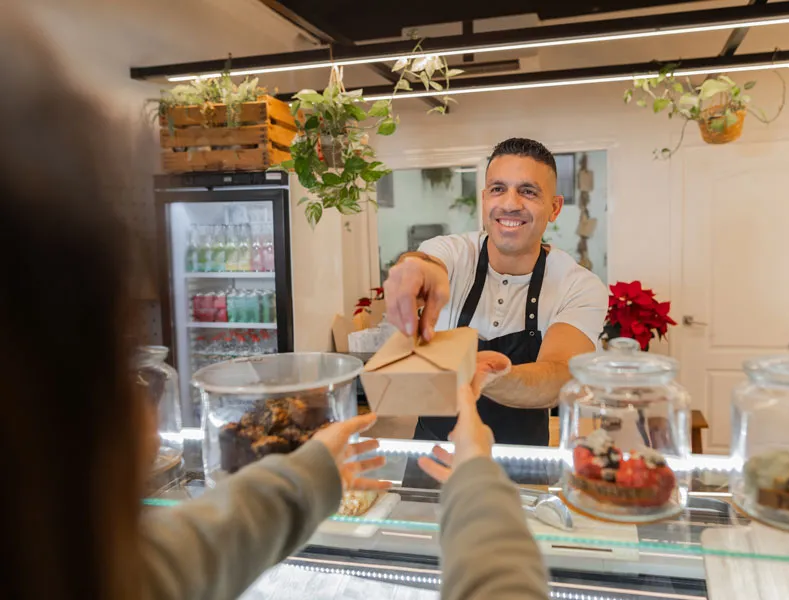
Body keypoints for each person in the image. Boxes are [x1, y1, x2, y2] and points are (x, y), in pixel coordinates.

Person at [1, 7, 548, 600]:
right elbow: (429, 257)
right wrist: (477, 484)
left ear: (553, 207)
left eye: (527, 191)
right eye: (118, 355)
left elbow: (187, 555)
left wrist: (309, 474)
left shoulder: (573, 281)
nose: (145, 415)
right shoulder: (460, 249)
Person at [384, 138, 608, 445]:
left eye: (528, 191)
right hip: (433, 451)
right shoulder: (454, 253)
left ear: (555, 207)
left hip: (520, 465)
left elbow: (559, 376)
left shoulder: (578, 285)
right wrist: (411, 272)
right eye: (498, 189)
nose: (510, 203)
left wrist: (485, 374)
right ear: (484, 199)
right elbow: (424, 263)